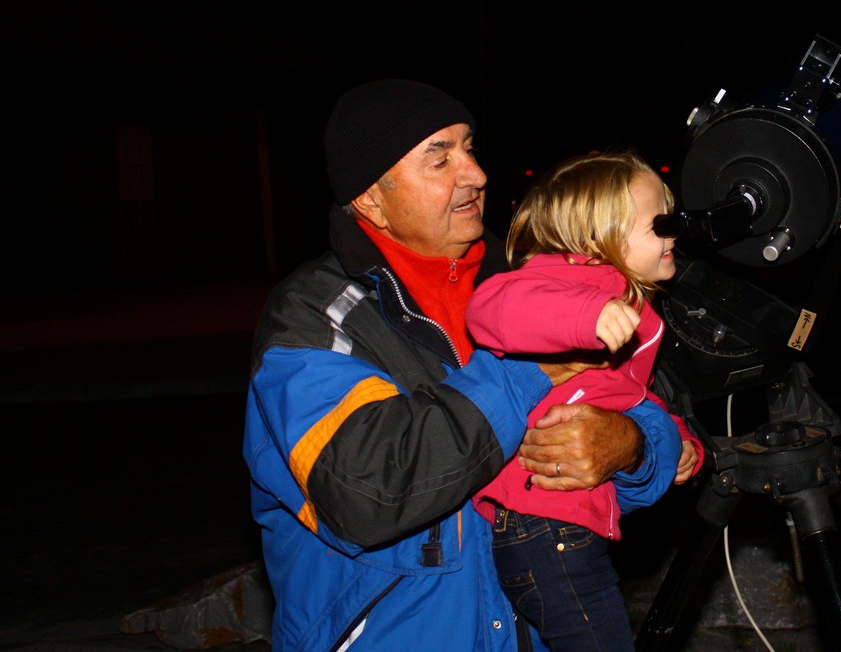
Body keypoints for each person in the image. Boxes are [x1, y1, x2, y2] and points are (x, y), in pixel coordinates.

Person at [242, 79, 683, 652]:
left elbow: (663, 408)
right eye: (440, 158)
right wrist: (533, 370)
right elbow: (367, 492)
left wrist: (631, 445)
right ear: (371, 198)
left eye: (470, 149)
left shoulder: (540, 278)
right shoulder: (315, 318)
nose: (474, 173)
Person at [466, 151, 705, 651]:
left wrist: (677, 437)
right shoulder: (571, 280)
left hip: (565, 522)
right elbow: (491, 308)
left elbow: (626, 396)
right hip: (544, 521)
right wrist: (586, 314)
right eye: (658, 224)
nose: (673, 233)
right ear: (597, 239)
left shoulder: (629, 303)